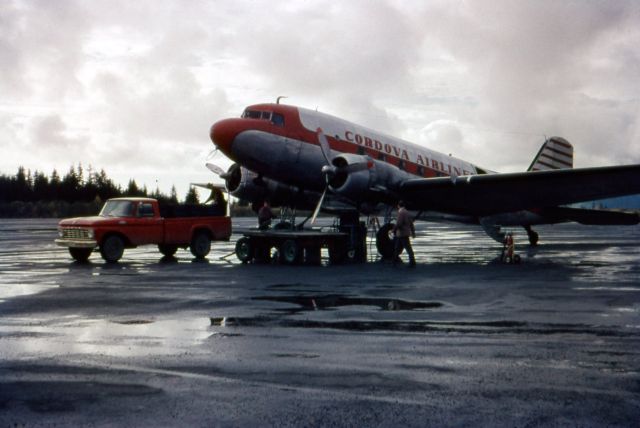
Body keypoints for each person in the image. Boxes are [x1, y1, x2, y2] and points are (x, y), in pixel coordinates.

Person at [392, 200, 416, 267]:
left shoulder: (401, 212)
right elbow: (411, 223)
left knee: (405, 248)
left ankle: (412, 262)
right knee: (399, 248)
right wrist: (413, 232)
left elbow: (399, 223)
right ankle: (394, 261)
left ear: (398, 205)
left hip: (401, 233)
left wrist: (393, 230)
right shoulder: (407, 212)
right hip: (405, 233)